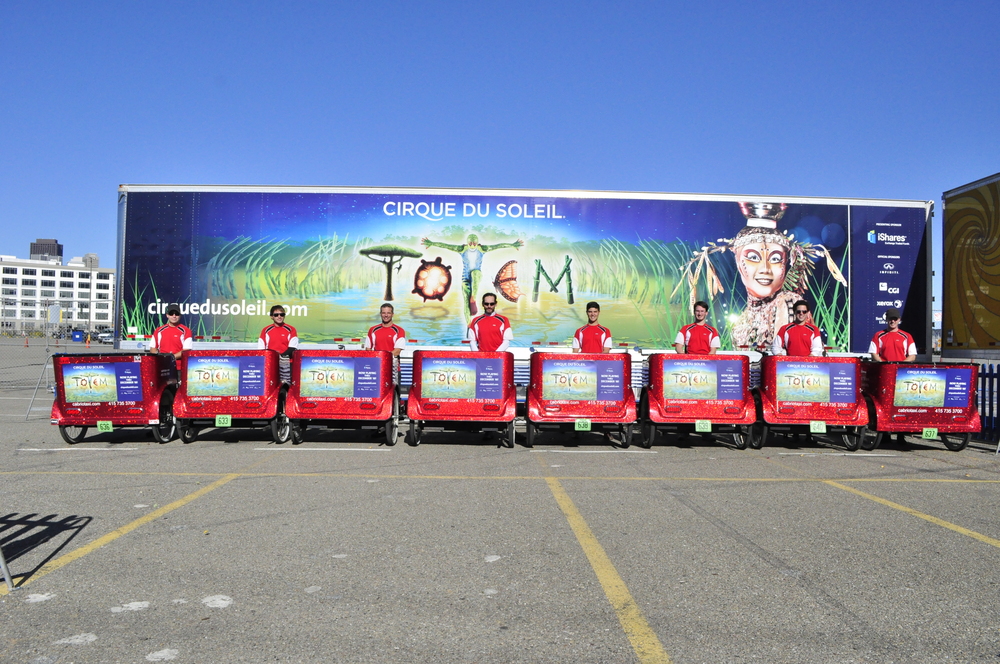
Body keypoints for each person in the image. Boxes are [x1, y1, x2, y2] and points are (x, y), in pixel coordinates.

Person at [421, 233, 524, 318]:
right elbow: (446, 246)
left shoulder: (482, 249)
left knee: (475, 273)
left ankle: (473, 297)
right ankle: (469, 325)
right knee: (466, 303)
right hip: (465, 278)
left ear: (477, 243)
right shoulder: (462, 249)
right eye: (470, 243)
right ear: (467, 242)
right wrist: (432, 243)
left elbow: (498, 246)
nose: (472, 245)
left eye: (474, 243)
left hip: (477, 276)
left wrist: (512, 245)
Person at [259, 305, 298, 382]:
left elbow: (292, 348)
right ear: (271, 316)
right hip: (270, 363)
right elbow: (261, 349)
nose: (279, 317)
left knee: (285, 386)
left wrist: (280, 357)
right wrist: (272, 360)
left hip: (286, 363)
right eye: (276, 315)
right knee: (270, 385)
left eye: (282, 314)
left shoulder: (291, 329)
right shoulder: (266, 330)